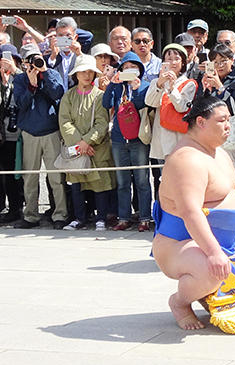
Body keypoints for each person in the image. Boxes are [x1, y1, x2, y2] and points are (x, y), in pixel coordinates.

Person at [152, 95, 235, 333]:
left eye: (229, 120)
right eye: (222, 121)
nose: (228, 126)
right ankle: (180, 302)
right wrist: (214, 253)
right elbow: (191, 213)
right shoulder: (186, 159)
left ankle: (209, 293)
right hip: (180, 242)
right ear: (200, 122)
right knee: (210, 270)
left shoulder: (218, 152)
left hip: (223, 236)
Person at [58, 55, 116, 231]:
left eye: (90, 71)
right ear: (76, 74)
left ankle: (101, 218)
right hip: (78, 149)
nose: (87, 75)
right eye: (83, 72)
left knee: (100, 184)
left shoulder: (100, 96)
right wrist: (80, 144)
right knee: (76, 184)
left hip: (97, 148)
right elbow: (65, 122)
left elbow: (102, 123)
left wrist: (87, 141)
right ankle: (79, 218)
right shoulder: (68, 96)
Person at [13, 44, 67, 229]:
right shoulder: (20, 80)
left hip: (51, 130)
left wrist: (45, 73)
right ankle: (30, 216)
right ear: (23, 62)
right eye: (30, 59)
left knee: (56, 177)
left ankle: (60, 214)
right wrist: (31, 84)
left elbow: (58, 94)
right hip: (30, 132)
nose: (34, 63)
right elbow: (21, 104)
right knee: (30, 177)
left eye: (37, 58)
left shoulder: (51, 74)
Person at [102, 51, 151, 232]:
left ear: (140, 69)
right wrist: (110, 84)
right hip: (118, 138)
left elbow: (142, 105)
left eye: (133, 67)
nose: (129, 70)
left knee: (142, 180)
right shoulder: (116, 86)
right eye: (126, 67)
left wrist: (136, 88)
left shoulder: (145, 85)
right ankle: (124, 218)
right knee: (122, 181)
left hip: (138, 138)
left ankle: (145, 217)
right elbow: (106, 104)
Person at [144, 43, 198, 162]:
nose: (173, 62)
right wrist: (160, 84)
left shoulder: (188, 83)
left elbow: (182, 107)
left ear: (183, 62)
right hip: (161, 137)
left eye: (177, 59)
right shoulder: (156, 82)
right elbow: (150, 102)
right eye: (169, 59)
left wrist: (172, 89)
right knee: (163, 177)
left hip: (179, 137)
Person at [202, 43, 235, 164]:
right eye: (215, 62)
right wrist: (205, 89)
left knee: (229, 168)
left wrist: (220, 87)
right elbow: (202, 108)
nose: (219, 66)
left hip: (230, 133)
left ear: (232, 60)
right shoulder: (208, 80)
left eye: (223, 61)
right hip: (210, 132)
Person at [0, 44, 23, 224]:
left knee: (16, 174)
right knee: (3, 174)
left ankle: (17, 208)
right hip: (2, 134)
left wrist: (13, 74)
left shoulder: (21, 78)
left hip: (17, 135)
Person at [46, 17, 84, 90]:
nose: (64, 39)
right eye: (60, 36)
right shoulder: (50, 58)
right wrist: (53, 55)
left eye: (68, 36)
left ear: (75, 37)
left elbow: (88, 75)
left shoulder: (80, 56)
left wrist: (79, 54)